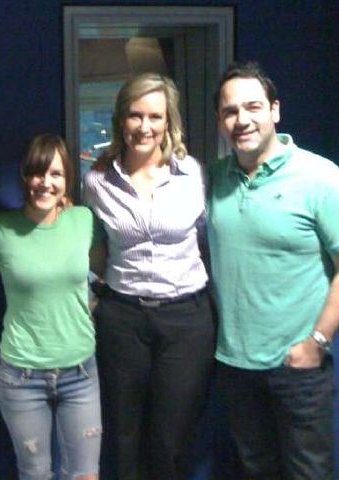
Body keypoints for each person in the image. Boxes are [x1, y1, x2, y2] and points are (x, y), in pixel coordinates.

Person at [208, 61, 339, 480]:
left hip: (298, 367)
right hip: (235, 366)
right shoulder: (214, 179)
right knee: (255, 471)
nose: (242, 120)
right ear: (220, 121)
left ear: (275, 110)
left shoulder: (321, 177)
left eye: (253, 107)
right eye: (230, 111)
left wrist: (318, 342)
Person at [84, 73, 214, 480]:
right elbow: (93, 249)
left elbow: (208, 242)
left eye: (155, 116)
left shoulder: (193, 174)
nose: (144, 126)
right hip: (123, 319)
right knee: (124, 435)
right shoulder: (97, 181)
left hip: (186, 320)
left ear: (168, 121)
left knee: (171, 438)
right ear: (121, 119)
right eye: (135, 115)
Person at [0, 134, 103, 480]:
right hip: (22, 376)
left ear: (67, 179)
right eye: (37, 173)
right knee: (34, 475)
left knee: (85, 475)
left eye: (55, 174)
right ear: (24, 176)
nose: (45, 183)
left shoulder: (84, 220)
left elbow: (111, 272)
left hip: (80, 372)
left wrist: (94, 303)